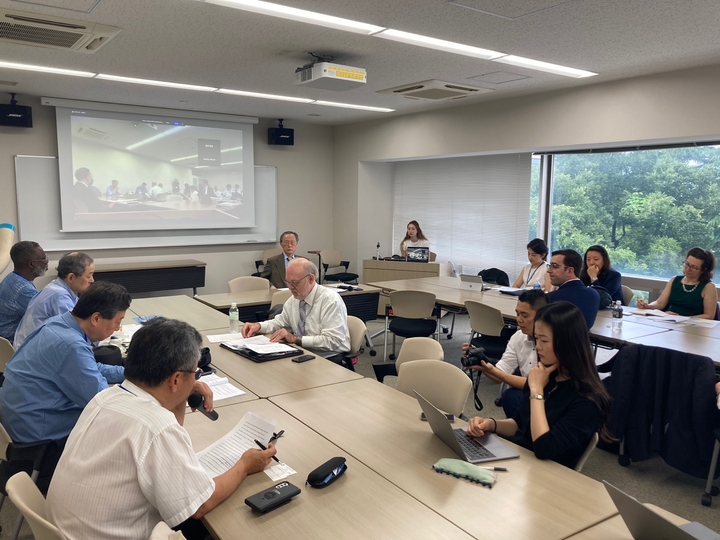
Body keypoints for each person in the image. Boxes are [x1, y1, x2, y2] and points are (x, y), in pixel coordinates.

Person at [46, 317, 274, 540]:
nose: (196, 379)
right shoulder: (157, 428)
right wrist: (245, 465)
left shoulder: (105, 397)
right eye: (195, 373)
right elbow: (200, 505)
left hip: (63, 531)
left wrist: (181, 393)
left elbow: (170, 429)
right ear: (175, 379)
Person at [467, 302, 612, 469]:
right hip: (521, 461)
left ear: (567, 344)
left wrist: (536, 391)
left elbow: (544, 448)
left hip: (548, 473)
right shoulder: (547, 375)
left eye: (544, 340)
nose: (538, 346)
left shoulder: (588, 400)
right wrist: (491, 424)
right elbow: (520, 425)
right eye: (536, 338)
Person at [0, 282, 129, 448]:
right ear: (96, 318)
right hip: (37, 435)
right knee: (118, 424)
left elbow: (89, 368)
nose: (117, 328)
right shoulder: (71, 345)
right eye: (118, 321)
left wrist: (129, 373)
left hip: (18, 418)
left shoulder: (56, 324)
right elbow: (102, 401)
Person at [462, 290, 548, 418]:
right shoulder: (518, 337)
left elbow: (540, 385)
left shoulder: (553, 342)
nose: (519, 320)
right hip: (531, 390)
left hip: (552, 394)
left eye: (525, 315)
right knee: (510, 397)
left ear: (542, 315)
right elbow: (499, 376)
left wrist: (495, 371)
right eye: (517, 314)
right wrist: (482, 363)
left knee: (514, 397)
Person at [243, 258, 350, 356]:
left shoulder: (330, 300)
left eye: (294, 283)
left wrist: (295, 339)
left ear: (311, 279)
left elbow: (332, 341)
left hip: (329, 357)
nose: (290, 287)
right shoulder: (295, 299)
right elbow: (279, 323)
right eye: (288, 282)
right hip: (303, 352)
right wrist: (258, 326)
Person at [14, 251, 95, 347]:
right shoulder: (60, 296)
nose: (92, 280)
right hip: (35, 351)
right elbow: (74, 334)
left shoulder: (56, 286)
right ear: (71, 277)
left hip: (30, 347)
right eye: (89, 276)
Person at [637, 247, 718, 318]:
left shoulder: (708, 287)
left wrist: (682, 318)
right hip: (670, 321)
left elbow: (709, 316)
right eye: (687, 264)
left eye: (694, 267)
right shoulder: (674, 280)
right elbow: (660, 303)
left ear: (703, 270)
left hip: (694, 326)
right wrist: (648, 306)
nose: (688, 269)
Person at [0, 241, 49, 341]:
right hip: (14, 344)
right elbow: (46, 319)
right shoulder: (24, 290)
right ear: (31, 264)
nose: (47, 261)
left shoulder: (11, 278)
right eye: (43, 258)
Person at [546, 249, 600, 329]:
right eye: (549, 266)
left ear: (570, 271)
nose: (548, 270)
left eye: (554, 266)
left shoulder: (551, 298)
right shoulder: (594, 295)